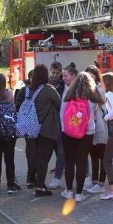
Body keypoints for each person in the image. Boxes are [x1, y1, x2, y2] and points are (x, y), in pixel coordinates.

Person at [60, 70, 104, 202]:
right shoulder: (92, 98)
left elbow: (62, 114)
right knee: (81, 162)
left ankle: (68, 191)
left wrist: (65, 128)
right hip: (87, 133)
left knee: (69, 162)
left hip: (67, 133)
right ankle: (79, 194)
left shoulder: (68, 95)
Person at [19, 64, 61, 197]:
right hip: (46, 129)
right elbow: (59, 105)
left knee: (34, 156)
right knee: (44, 158)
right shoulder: (49, 90)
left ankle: (35, 181)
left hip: (30, 128)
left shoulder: (25, 90)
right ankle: (40, 187)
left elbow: (17, 104)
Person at [46, 61, 70, 190]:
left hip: (63, 123)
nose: (55, 75)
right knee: (56, 150)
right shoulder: (48, 83)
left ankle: (58, 176)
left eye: (57, 73)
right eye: (53, 72)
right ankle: (59, 169)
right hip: (52, 122)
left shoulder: (62, 85)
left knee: (61, 151)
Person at [84, 65, 107, 194]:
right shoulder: (86, 90)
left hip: (100, 126)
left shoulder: (99, 89)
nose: (89, 79)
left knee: (102, 155)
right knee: (93, 155)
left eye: (91, 76)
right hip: (89, 127)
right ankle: (93, 180)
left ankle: (101, 182)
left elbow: (102, 102)